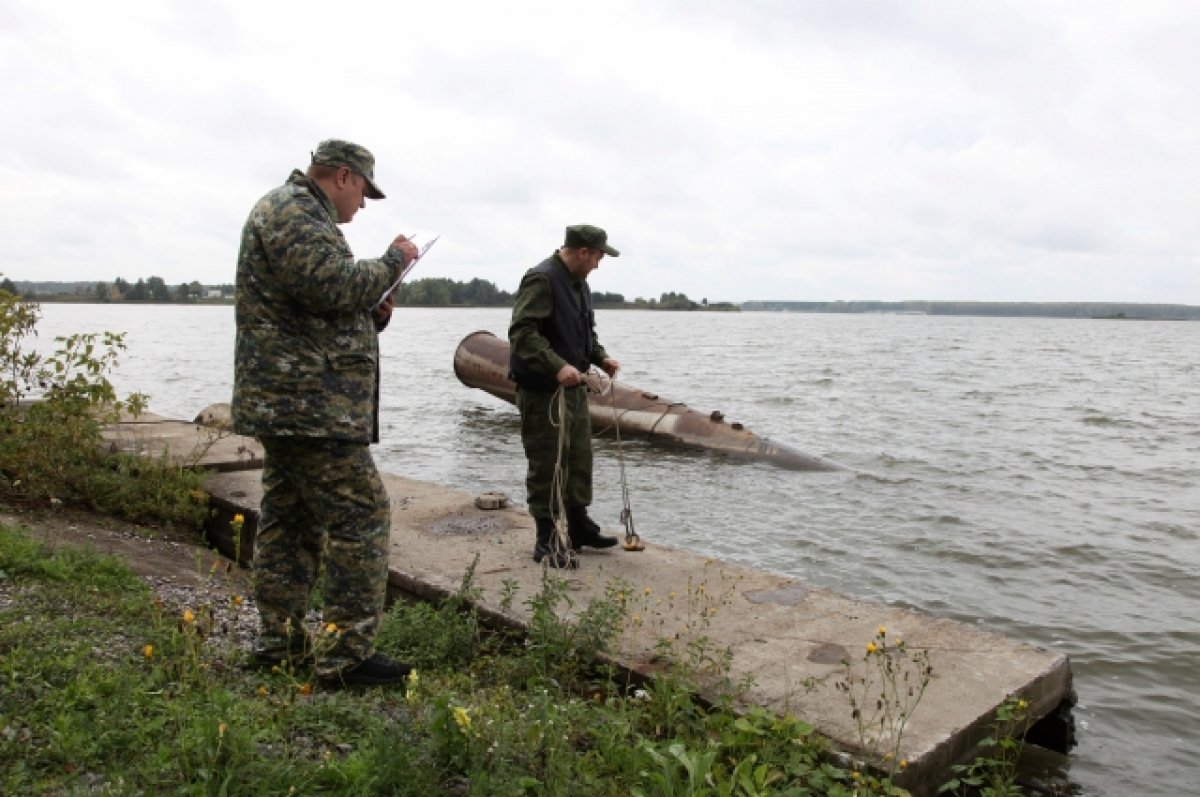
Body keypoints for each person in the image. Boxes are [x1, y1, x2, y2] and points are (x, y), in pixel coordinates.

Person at [231, 139, 419, 687]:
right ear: (342, 176)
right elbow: (328, 282)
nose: (362, 205)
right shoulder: (292, 209)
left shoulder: (299, 212)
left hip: (293, 400)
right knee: (362, 516)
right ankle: (346, 659)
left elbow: (315, 303)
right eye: (363, 191)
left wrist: (372, 312)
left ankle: (279, 646)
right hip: (308, 404)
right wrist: (394, 261)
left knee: (291, 522)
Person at [508, 224, 624, 569]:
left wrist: (600, 357)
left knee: (578, 460)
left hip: (573, 390)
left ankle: (579, 526)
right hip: (544, 392)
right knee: (548, 464)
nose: (599, 265)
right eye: (599, 257)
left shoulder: (580, 284)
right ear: (583, 252)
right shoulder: (542, 280)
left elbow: (583, 332)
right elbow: (522, 333)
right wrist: (556, 366)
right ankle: (545, 537)